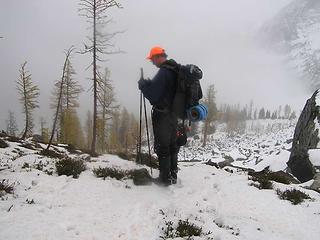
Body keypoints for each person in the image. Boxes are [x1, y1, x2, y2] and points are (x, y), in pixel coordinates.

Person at [138, 46, 179, 186]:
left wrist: (143, 86)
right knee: (173, 144)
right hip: (174, 115)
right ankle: (173, 175)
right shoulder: (174, 70)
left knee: (163, 146)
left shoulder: (164, 72)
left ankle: (164, 179)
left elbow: (154, 96)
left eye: (152, 60)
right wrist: (151, 84)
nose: (152, 63)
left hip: (163, 115)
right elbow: (164, 89)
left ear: (158, 57)